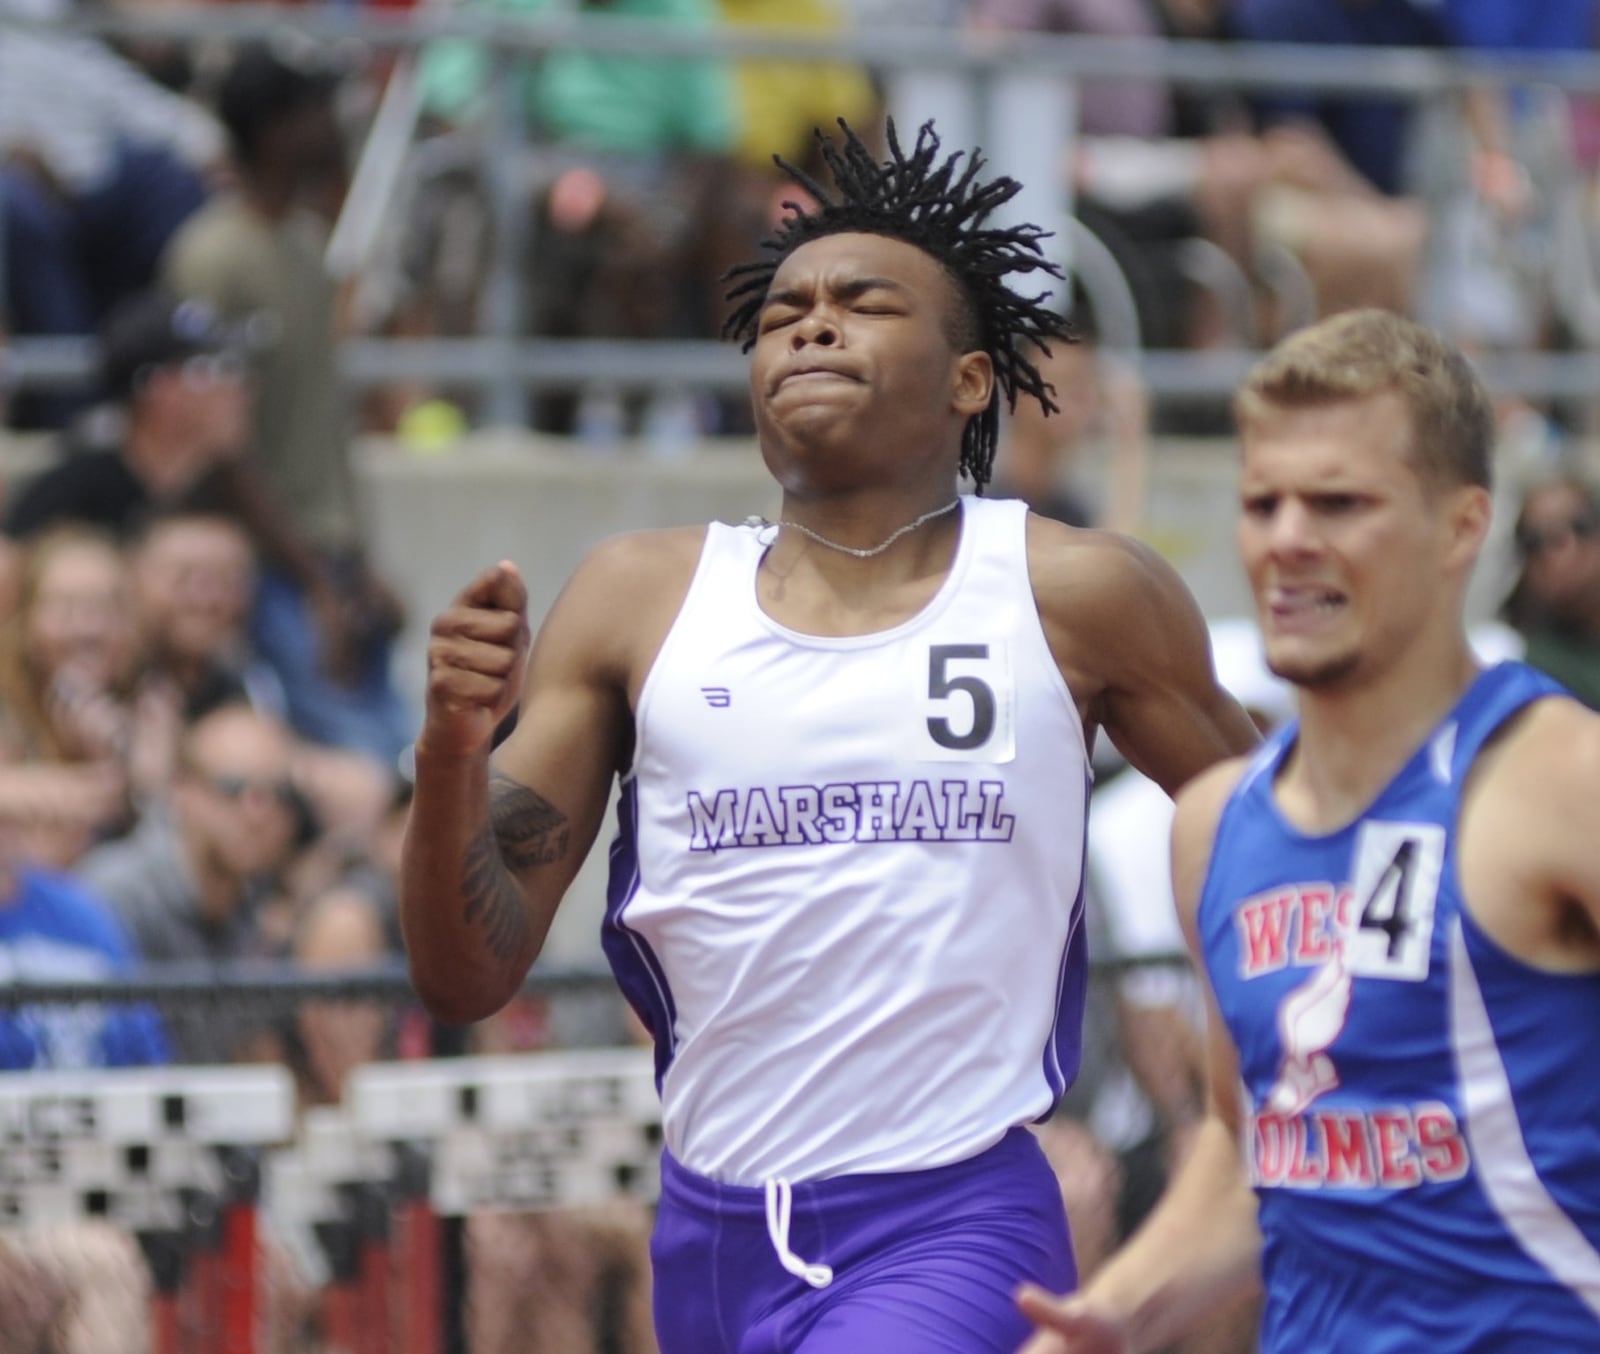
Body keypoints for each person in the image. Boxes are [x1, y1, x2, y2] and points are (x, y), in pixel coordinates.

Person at [402, 118, 1257, 1353]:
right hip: (707, 1236)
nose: (810, 323)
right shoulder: (638, 597)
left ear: (970, 378)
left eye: (863, 303)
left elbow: (1288, 832)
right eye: (785, 307)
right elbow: (463, 973)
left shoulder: (1075, 595)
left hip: (952, 1221)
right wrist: (448, 754)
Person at [1018, 308, 1600, 1354]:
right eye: (1262, 502)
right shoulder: (1212, 823)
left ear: (1461, 526)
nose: (1288, 537)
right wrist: (1103, 1317)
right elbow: (1253, 1155)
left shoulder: (1557, 777)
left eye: (1338, 502)